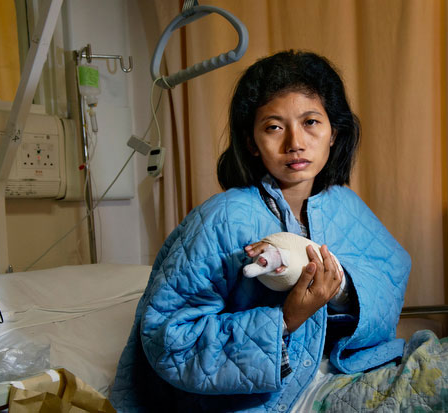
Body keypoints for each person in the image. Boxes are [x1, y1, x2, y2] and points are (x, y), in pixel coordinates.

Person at [110, 50, 411, 412]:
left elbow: (391, 274)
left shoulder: (345, 205)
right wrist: (284, 321)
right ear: (252, 142)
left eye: (311, 122)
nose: (295, 142)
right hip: (263, 397)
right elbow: (168, 339)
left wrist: (341, 288)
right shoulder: (223, 218)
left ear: (334, 132)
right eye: (274, 126)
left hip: (342, 369)